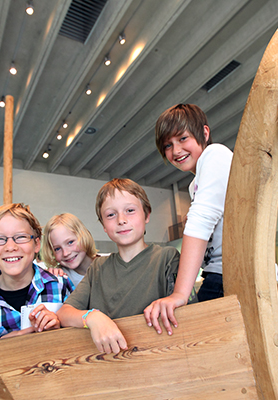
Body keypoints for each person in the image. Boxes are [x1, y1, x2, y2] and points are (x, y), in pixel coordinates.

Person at [58, 178, 182, 354]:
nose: (121, 220)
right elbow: (64, 313)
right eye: (110, 215)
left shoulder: (167, 258)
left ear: (146, 215)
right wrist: (92, 317)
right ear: (103, 225)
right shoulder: (97, 268)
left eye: (130, 210)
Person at [144, 104, 233, 335]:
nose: (176, 150)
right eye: (168, 145)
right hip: (218, 275)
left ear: (204, 133)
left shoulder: (215, 154)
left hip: (231, 276)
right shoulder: (195, 184)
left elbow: (201, 223)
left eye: (183, 138)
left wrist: (180, 294)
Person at [0, 203, 74, 344]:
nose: (10, 247)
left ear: (36, 244)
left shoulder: (61, 285)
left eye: (21, 237)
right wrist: (3, 344)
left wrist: (61, 329)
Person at [41, 213, 102, 286]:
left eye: (70, 242)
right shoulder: (61, 278)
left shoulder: (110, 264)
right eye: (57, 249)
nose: (65, 253)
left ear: (84, 236)